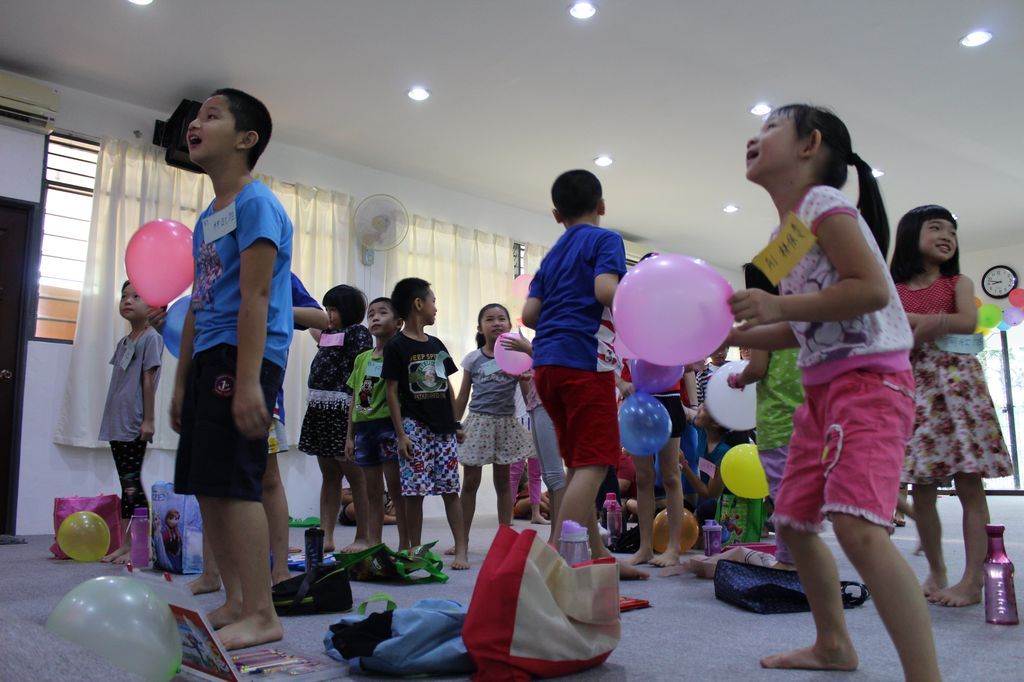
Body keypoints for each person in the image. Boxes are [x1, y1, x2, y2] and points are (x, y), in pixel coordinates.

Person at [727, 104, 939, 678]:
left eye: (771, 126)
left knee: (858, 527)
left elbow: (870, 290)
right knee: (793, 523)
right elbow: (800, 325)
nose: (754, 137)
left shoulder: (824, 204)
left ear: (810, 144)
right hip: (820, 395)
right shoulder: (784, 237)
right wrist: (730, 333)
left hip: (870, 384)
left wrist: (778, 306)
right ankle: (833, 646)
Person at [170, 88, 290, 650]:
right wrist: (180, 381)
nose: (195, 124)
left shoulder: (256, 202)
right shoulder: (208, 217)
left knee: (238, 484)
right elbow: (199, 301)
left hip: (245, 356)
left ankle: (263, 612)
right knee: (208, 484)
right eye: (196, 118)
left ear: (246, 139)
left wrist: (247, 382)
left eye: (211, 116)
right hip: (208, 356)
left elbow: (257, 295)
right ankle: (237, 601)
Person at [523, 169, 647, 580]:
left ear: (557, 215)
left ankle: (598, 557)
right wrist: (644, 300)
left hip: (546, 366)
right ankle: (558, 563)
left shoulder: (552, 255)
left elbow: (530, 315)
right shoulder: (605, 239)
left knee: (579, 465)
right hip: (583, 362)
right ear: (602, 206)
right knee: (594, 463)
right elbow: (605, 291)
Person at [890, 204, 1013, 606]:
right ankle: (937, 570)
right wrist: (916, 326)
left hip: (958, 387)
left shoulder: (958, 282)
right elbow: (889, 334)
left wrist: (927, 322)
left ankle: (973, 580)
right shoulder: (893, 289)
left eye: (952, 231)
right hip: (917, 389)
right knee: (921, 487)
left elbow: (967, 321)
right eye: (936, 228)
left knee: (969, 483)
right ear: (911, 235)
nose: (947, 236)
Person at [189, 273, 328, 593]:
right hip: (214, 385)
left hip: (261, 389)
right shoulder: (218, 272)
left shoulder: (278, 273)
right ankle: (211, 573)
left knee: (268, 479)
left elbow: (320, 318)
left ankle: (280, 571)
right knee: (211, 483)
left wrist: (275, 308)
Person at [383, 278, 469, 570]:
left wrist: (456, 422)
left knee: (450, 489)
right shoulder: (396, 346)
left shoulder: (437, 345)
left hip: (443, 429)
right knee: (414, 493)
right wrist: (401, 435)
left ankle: (461, 549)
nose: (436, 308)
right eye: (433, 301)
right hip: (414, 428)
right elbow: (391, 391)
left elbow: (447, 387)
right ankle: (415, 551)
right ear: (418, 304)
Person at [728, 263, 804, 567]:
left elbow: (757, 368)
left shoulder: (763, 323)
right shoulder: (803, 318)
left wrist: (739, 379)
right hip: (808, 418)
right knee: (801, 491)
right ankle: (802, 552)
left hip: (777, 419)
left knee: (782, 493)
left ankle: (788, 559)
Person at [298, 285, 373, 553]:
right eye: (327, 309)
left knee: (356, 477)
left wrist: (360, 414)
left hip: (344, 411)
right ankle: (326, 535)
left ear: (348, 311)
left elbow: (363, 373)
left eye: (334, 309)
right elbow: (313, 328)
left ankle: (363, 536)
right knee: (329, 475)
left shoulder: (357, 333)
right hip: (321, 409)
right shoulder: (328, 333)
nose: (328, 314)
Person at [454, 303, 533, 539]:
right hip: (478, 424)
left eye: (501, 318)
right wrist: (454, 423)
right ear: (480, 328)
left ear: (509, 325)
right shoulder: (473, 359)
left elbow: (528, 396)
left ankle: (504, 538)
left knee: (504, 483)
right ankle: (462, 539)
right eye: (489, 319)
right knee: (470, 483)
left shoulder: (517, 357)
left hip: (505, 424)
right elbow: (463, 396)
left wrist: (526, 378)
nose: (496, 323)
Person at [99, 281, 163, 564]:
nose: (127, 300)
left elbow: (149, 381)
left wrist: (148, 420)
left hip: (134, 421)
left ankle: (141, 546)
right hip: (117, 418)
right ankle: (126, 544)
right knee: (126, 484)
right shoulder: (125, 341)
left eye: (136, 296)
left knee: (132, 483)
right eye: (124, 295)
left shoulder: (151, 338)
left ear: (153, 306)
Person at [344, 297, 409, 550]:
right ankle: (374, 544)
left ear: (398, 323)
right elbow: (354, 397)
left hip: (388, 428)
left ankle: (404, 545)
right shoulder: (362, 359)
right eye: (371, 314)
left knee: (396, 490)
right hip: (363, 429)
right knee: (373, 491)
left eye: (382, 313)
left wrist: (402, 434)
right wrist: (349, 436)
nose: (375, 317)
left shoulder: (399, 356)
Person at [501, 334, 568, 544]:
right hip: (531, 411)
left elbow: (558, 364)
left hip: (544, 409)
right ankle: (553, 535)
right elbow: (527, 390)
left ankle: (553, 530)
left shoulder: (544, 347)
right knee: (531, 472)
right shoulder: (528, 355)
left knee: (548, 474)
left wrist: (529, 351)